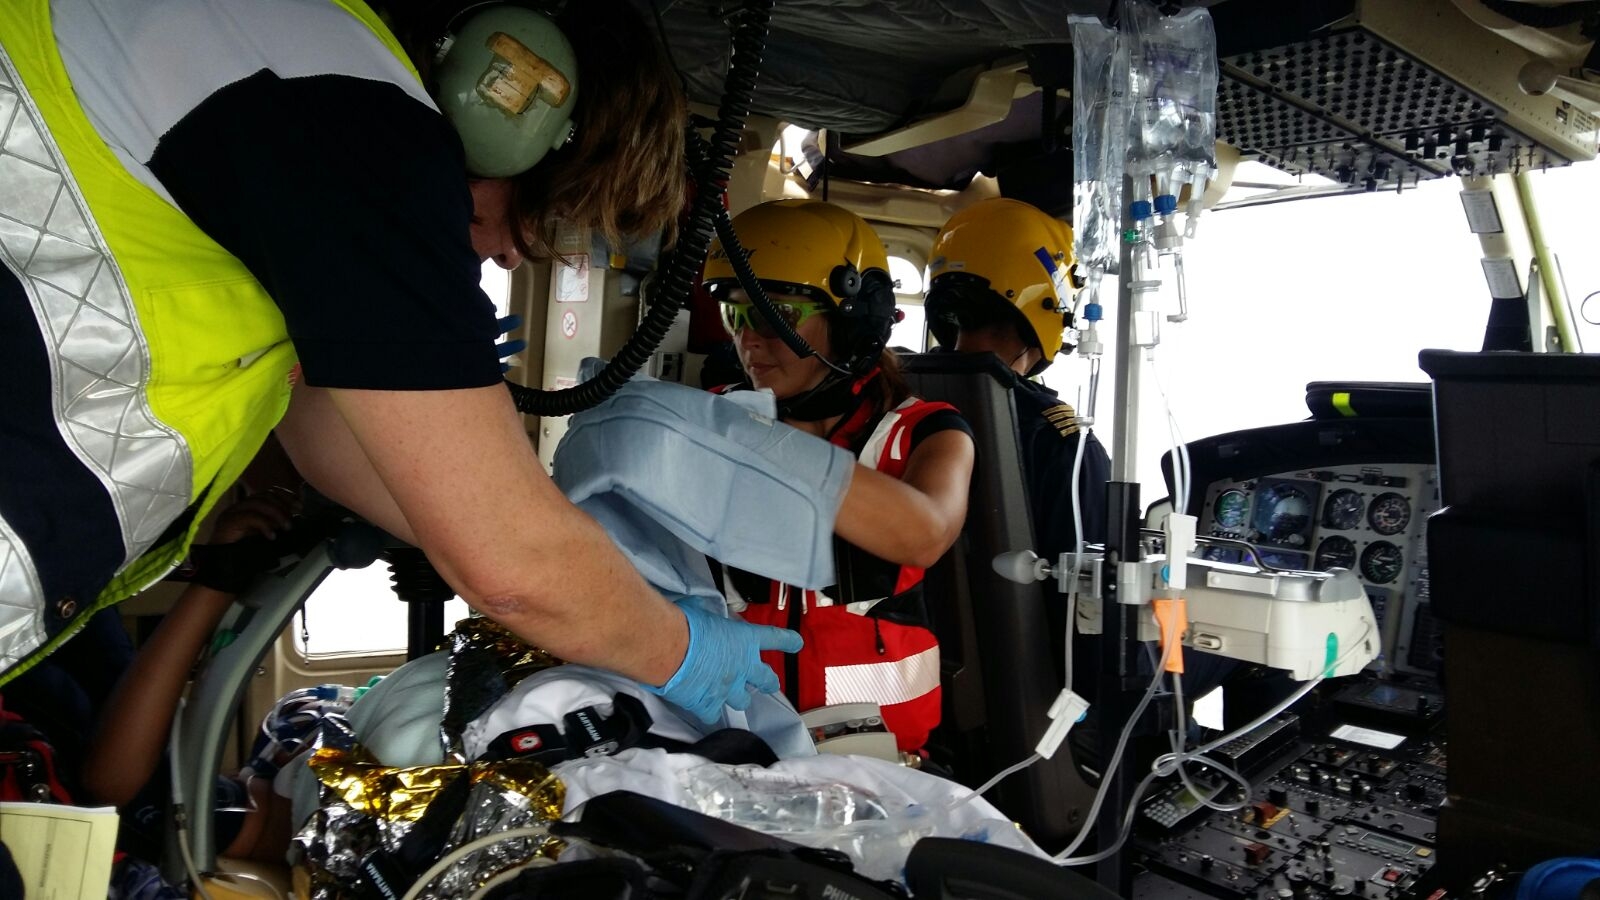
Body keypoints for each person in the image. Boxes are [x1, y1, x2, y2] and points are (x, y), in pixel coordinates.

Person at [0, 0, 790, 722]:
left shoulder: (289, 85)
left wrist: (584, 574)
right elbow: (507, 563)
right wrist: (677, 650)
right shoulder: (353, 120)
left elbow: (331, 436)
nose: (516, 258)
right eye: (548, 220)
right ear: (514, 114)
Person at [700, 199, 976, 754]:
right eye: (736, 315)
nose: (749, 340)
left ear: (852, 321)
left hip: (879, 759)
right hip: (730, 741)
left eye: (776, 316)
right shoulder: (707, 420)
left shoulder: (927, 431)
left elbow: (924, 533)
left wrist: (765, 441)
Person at [924, 197, 1112, 692]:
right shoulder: (1061, 443)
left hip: (924, 672)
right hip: (1026, 694)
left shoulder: (898, 400)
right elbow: (1089, 612)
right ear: (1047, 305)